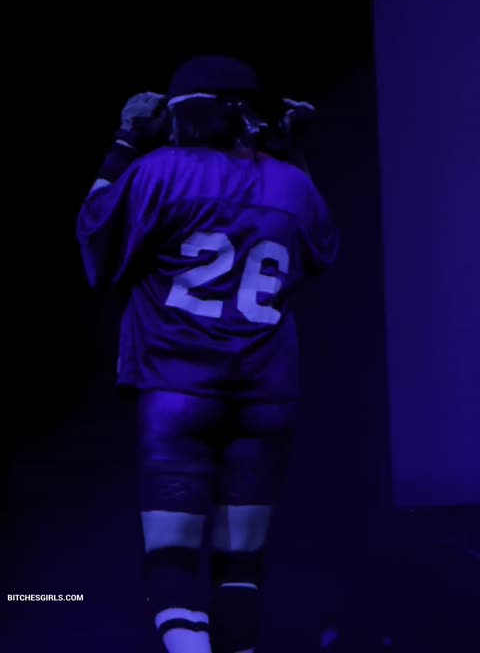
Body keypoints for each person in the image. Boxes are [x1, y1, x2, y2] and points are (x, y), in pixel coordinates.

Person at [76, 56, 339, 653]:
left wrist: (124, 139)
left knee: (171, 558)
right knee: (241, 565)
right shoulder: (291, 184)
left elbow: (94, 231)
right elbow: (321, 248)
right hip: (266, 391)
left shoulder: (159, 170)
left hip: (177, 387)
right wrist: (294, 151)